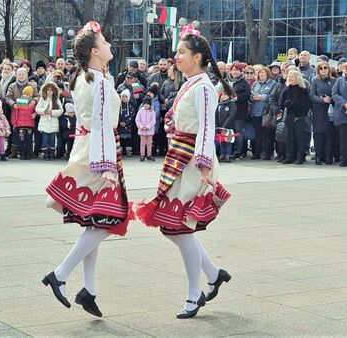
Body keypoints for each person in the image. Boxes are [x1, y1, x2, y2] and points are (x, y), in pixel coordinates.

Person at [136, 24, 232, 319]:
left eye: (181, 52)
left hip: (192, 160)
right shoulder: (192, 83)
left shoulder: (203, 86)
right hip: (181, 155)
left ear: (199, 56)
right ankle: (213, 274)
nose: (176, 56)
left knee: (180, 226)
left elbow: (206, 127)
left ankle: (195, 294)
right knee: (175, 227)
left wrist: (203, 164)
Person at [43, 21, 134, 317]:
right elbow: (102, 125)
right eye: (104, 42)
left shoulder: (84, 78)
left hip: (86, 148)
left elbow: (91, 123)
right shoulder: (101, 82)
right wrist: (107, 166)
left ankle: (89, 289)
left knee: (94, 221)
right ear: (95, 51)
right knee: (108, 218)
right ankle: (60, 272)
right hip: (99, 152)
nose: (109, 46)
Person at [280, 70, 312, 165]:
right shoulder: (286, 89)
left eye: (292, 76)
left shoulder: (303, 90)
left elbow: (307, 104)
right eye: (289, 76)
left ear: (297, 77)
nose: (290, 78)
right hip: (289, 116)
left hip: (300, 116)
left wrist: (294, 106)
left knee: (299, 137)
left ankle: (300, 157)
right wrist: (289, 104)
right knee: (290, 137)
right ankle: (289, 157)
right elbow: (282, 103)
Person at [309, 62, 337, 165]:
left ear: (329, 69)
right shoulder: (315, 81)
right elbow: (311, 95)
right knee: (318, 135)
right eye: (321, 68)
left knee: (329, 135)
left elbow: (337, 93)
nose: (323, 70)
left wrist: (330, 99)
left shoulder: (334, 81)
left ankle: (328, 157)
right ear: (318, 70)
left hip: (330, 111)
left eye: (325, 68)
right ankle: (318, 157)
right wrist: (321, 100)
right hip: (319, 111)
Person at [250, 67, 277, 160]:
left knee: (267, 134)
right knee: (256, 134)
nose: (261, 75)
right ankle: (256, 153)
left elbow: (273, 96)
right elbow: (251, 94)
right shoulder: (255, 84)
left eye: (263, 73)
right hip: (255, 112)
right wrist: (252, 97)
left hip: (266, 112)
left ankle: (267, 153)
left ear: (267, 74)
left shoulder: (273, 83)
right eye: (260, 73)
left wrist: (263, 97)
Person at [229, 61, 251, 159]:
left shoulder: (244, 82)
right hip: (229, 111)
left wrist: (238, 97)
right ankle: (231, 149)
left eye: (237, 70)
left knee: (238, 131)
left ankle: (239, 151)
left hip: (240, 110)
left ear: (241, 72)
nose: (235, 72)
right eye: (233, 70)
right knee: (231, 131)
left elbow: (247, 95)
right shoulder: (228, 81)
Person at [36, 81, 63, 161]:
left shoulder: (56, 100)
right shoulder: (42, 99)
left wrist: (52, 112)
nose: (49, 92)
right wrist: (44, 111)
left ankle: (51, 153)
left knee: (52, 139)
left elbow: (61, 110)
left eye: (51, 90)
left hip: (53, 122)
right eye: (47, 90)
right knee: (45, 139)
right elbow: (37, 109)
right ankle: (45, 153)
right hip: (44, 122)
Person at [11, 86, 37, 160]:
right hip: (20, 124)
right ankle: (22, 153)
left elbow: (36, 110)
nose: (26, 95)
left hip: (29, 124)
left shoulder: (32, 102)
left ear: (30, 95)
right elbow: (15, 114)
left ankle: (27, 154)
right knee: (21, 140)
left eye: (28, 94)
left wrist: (35, 114)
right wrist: (14, 123)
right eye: (25, 94)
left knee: (28, 140)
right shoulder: (19, 102)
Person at [136, 96, 156, 161]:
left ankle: (149, 155)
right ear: (143, 104)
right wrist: (141, 127)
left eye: (148, 104)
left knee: (149, 143)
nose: (146, 105)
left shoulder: (152, 112)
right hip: (142, 131)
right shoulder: (140, 111)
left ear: (150, 104)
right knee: (142, 143)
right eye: (145, 104)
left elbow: (153, 121)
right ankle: (142, 155)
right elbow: (137, 120)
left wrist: (148, 127)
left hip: (149, 131)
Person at [118, 89, 135, 157]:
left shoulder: (130, 106)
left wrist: (126, 123)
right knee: (121, 139)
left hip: (128, 126)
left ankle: (128, 151)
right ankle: (120, 151)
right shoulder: (119, 106)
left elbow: (132, 115)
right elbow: (116, 114)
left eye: (126, 97)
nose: (124, 98)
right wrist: (120, 122)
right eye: (123, 96)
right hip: (120, 126)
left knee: (128, 140)